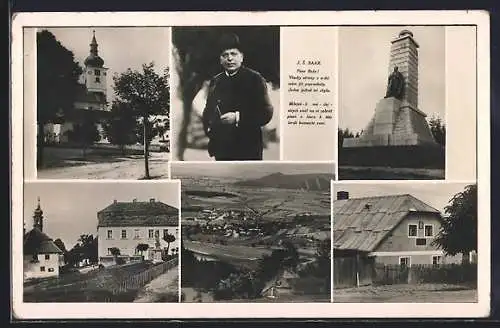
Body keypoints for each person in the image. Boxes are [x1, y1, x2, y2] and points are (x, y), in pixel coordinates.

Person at [202, 33, 274, 161]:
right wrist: (211, 132)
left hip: (248, 149)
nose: (229, 58)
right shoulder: (216, 81)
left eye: (233, 54)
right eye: (225, 55)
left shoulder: (255, 79)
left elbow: (266, 113)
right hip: (222, 150)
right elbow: (208, 112)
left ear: (242, 57)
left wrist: (237, 117)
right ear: (220, 60)